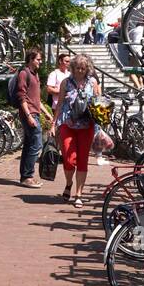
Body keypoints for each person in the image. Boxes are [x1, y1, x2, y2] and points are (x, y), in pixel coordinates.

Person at [52, 53, 100, 208]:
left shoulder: (92, 82)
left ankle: (79, 194)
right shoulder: (66, 82)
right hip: (68, 123)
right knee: (68, 157)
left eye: (83, 68)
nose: (80, 71)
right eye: (77, 68)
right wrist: (54, 124)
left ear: (87, 69)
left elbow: (99, 103)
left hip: (87, 125)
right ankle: (68, 183)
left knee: (82, 160)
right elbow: (59, 104)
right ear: (72, 68)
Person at [16, 45, 44, 189]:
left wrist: (45, 112)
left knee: (29, 145)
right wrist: (28, 116)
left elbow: (36, 98)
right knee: (36, 144)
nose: (40, 62)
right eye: (38, 59)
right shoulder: (24, 73)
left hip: (35, 112)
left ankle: (25, 176)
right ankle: (28, 176)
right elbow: (21, 97)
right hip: (30, 114)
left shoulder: (35, 74)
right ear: (31, 59)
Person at [45, 50, 71, 115]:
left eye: (69, 62)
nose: (68, 63)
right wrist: (62, 92)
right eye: (66, 61)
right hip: (57, 106)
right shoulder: (54, 74)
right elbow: (49, 89)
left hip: (69, 106)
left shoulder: (70, 74)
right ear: (60, 61)